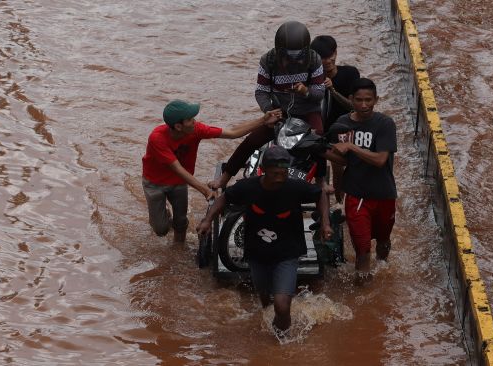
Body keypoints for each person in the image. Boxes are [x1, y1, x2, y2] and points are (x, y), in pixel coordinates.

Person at [197, 145, 332, 333]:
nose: (281, 178)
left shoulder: (294, 187)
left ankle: (280, 342)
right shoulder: (248, 187)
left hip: (288, 251)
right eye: (276, 173)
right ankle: (267, 322)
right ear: (264, 170)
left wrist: (325, 223)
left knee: (282, 306)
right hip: (256, 251)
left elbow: (320, 195)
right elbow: (225, 199)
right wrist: (207, 220)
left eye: (284, 173)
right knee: (265, 298)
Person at [142, 99, 281, 244]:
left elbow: (233, 133)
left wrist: (263, 120)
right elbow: (177, 169)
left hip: (179, 183)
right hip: (155, 183)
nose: (194, 121)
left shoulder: (196, 130)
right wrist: (205, 191)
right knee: (161, 229)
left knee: (181, 222)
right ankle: (164, 212)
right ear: (178, 126)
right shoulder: (157, 138)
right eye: (190, 119)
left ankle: (178, 249)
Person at [209, 21, 326, 191]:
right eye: (289, 54)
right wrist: (268, 111)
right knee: (251, 140)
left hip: (307, 111)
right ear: (280, 50)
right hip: (280, 112)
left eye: (298, 54)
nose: (294, 59)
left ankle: (321, 179)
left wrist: (305, 91)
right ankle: (225, 177)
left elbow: (320, 93)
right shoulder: (268, 61)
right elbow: (261, 91)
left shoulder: (315, 60)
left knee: (319, 137)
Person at [321, 78, 397, 279]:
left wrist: (353, 147)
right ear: (351, 99)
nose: (364, 105)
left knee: (383, 241)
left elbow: (381, 159)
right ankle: (362, 293)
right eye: (359, 100)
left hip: (384, 194)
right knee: (362, 252)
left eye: (368, 100)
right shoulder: (342, 125)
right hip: (356, 196)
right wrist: (320, 151)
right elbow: (343, 160)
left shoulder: (385, 124)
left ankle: (383, 268)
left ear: (376, 100)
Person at [310, 35, 361, 202]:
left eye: (330, 56)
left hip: (342, 129)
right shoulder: (311, 78)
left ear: (336, 53)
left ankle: (339, 201)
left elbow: (354, 107)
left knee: (339, 169)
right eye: (323, 58)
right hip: (318, 130)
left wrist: (333, 91)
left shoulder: (350, 74)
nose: (328, 61)